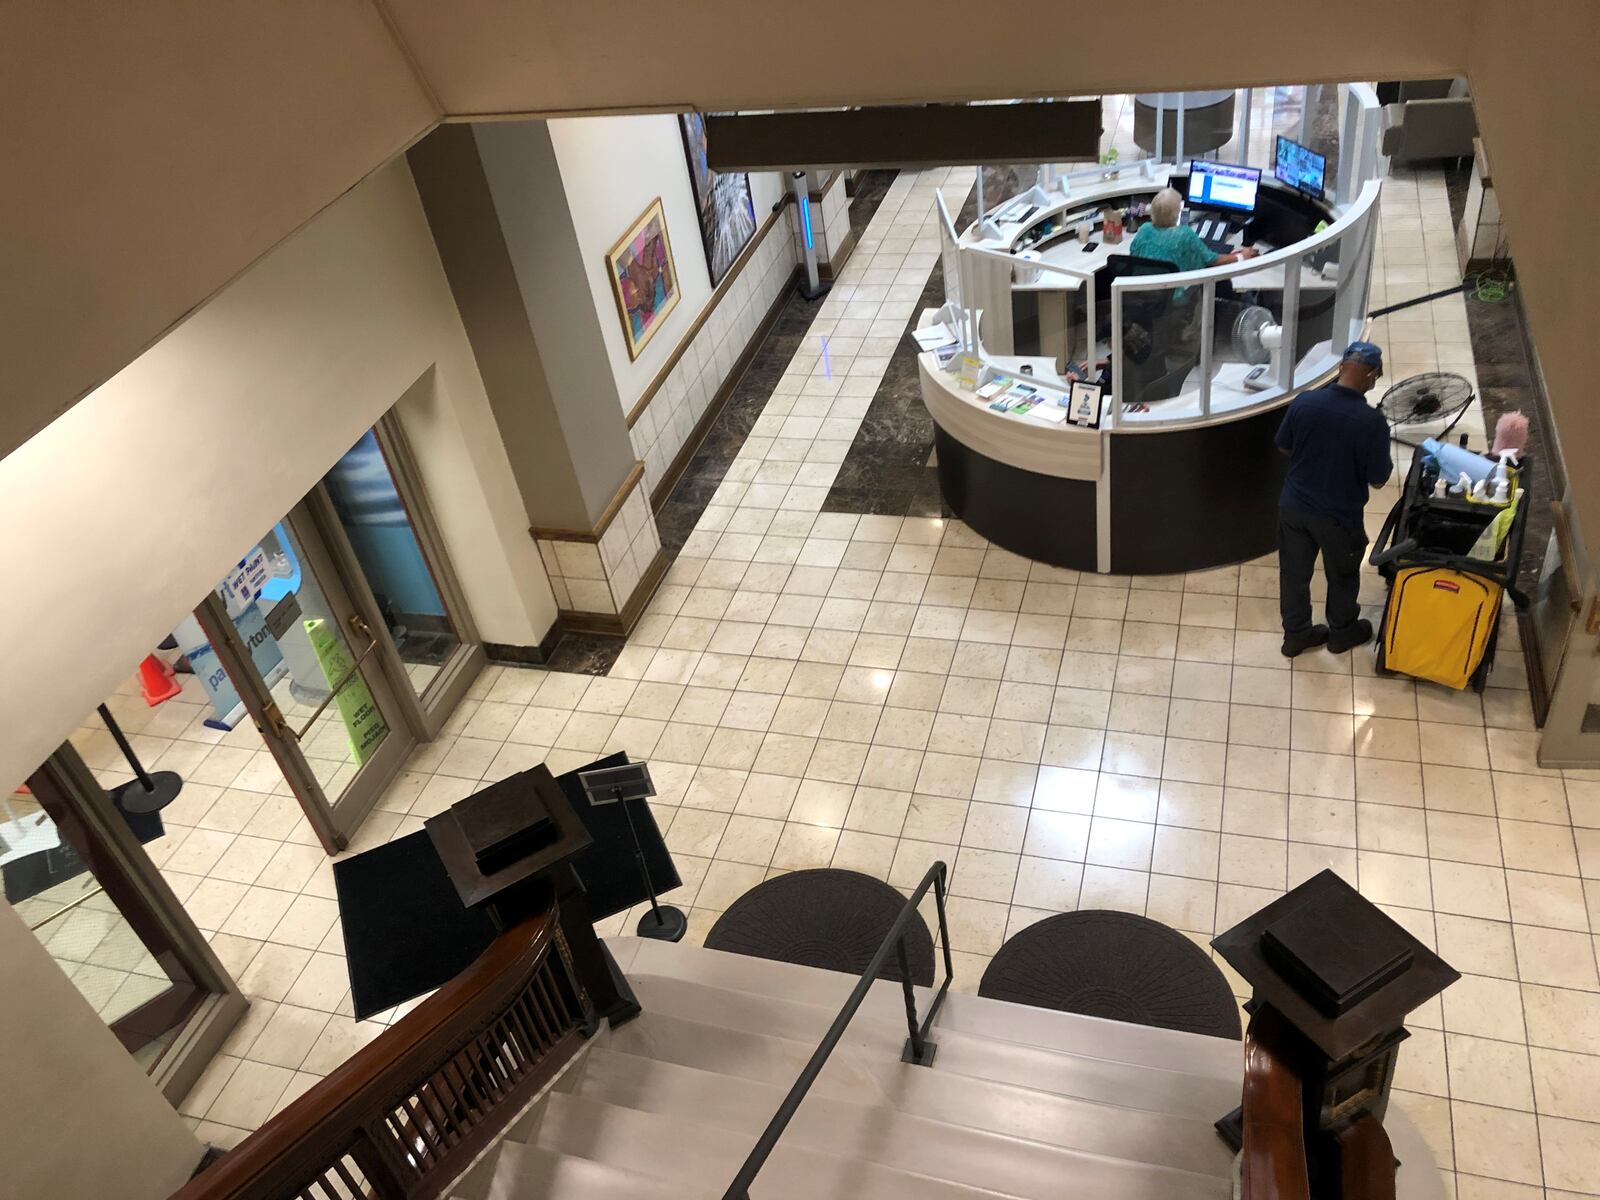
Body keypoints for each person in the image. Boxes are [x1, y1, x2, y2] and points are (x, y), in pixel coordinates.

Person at [1275, 341, 1393, 657]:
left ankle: (1296, 635)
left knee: (1294, 575)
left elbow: (1284, 446)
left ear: (1341, 368)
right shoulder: (1372, 423)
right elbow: (1379, 479)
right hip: (1339, 517)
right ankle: (1342, 632)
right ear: (1371, 374)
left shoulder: (1304, 403)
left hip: (1294, 508)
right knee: (1342, 574)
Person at [1129, 188, 1260, 273]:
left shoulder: (1144, 230)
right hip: (1174, 298)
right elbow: (1212, 260)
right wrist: (1242, 256)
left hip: (1144, 294)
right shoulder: (1184, 234)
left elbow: (1134, 253)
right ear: (1176, 214)